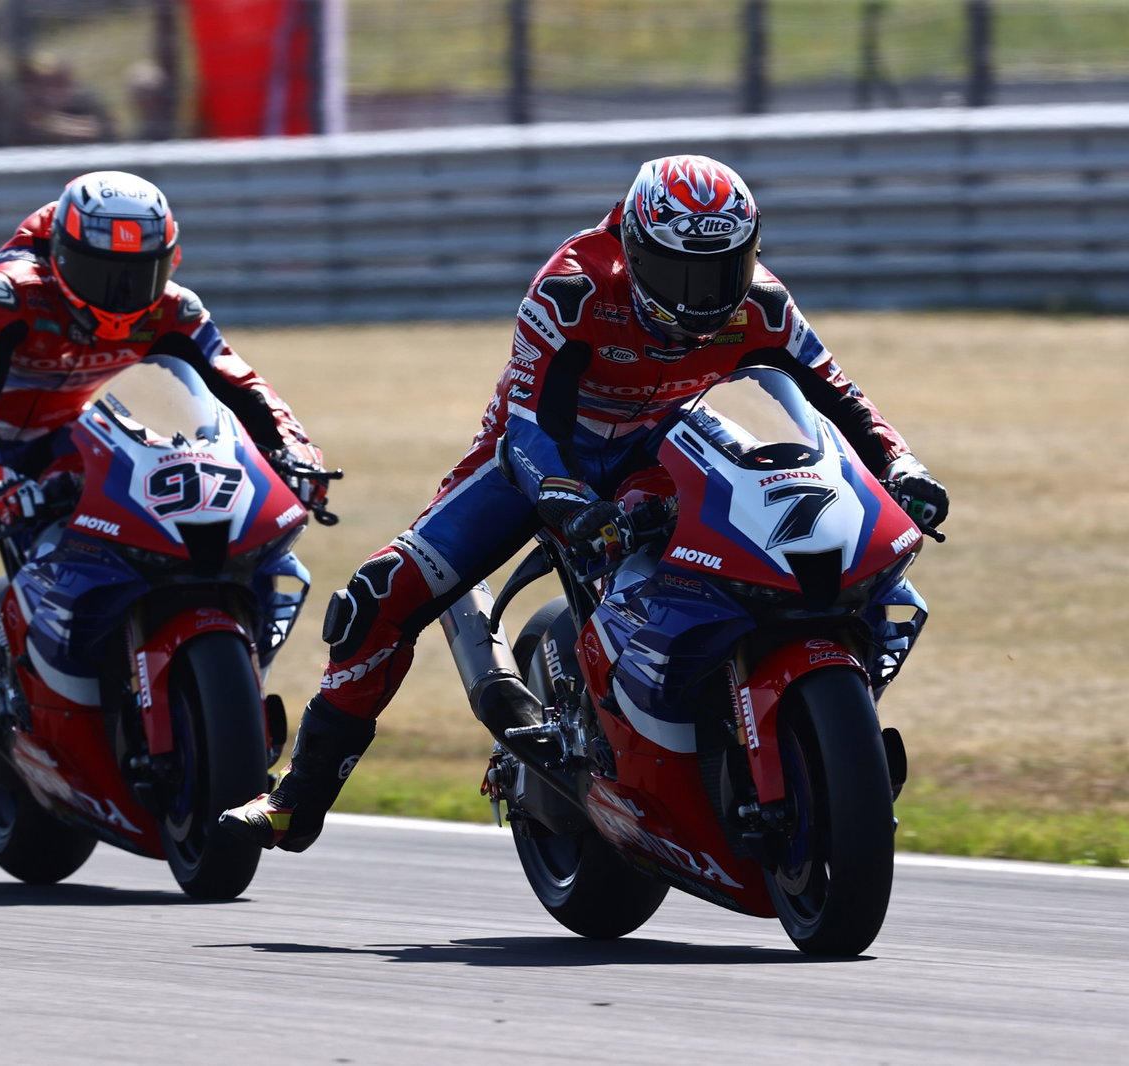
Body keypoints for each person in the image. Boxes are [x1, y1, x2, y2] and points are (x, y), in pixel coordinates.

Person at [218, 154, 949, 853]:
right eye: (675, 271)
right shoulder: (573, 287)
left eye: (719, 271)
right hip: (543, 458)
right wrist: (568, 502)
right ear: (633, 247)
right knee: (378, 599)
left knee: (822, 561)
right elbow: (532, 423)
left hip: (667, 449)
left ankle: (779, 726)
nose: (699, 297)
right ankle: (298, 799)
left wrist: (903, 466)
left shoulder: (762, 302)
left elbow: (842, 399)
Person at [0, 171, 327, 863]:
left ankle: (123, 680)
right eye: (103, 273)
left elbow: (242, 386)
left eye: (139, 274)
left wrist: (296, 450)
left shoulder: (175, 308)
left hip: (64, 436)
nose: (122, 296)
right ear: (63, 255)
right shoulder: (8, 293)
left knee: (159, 530)